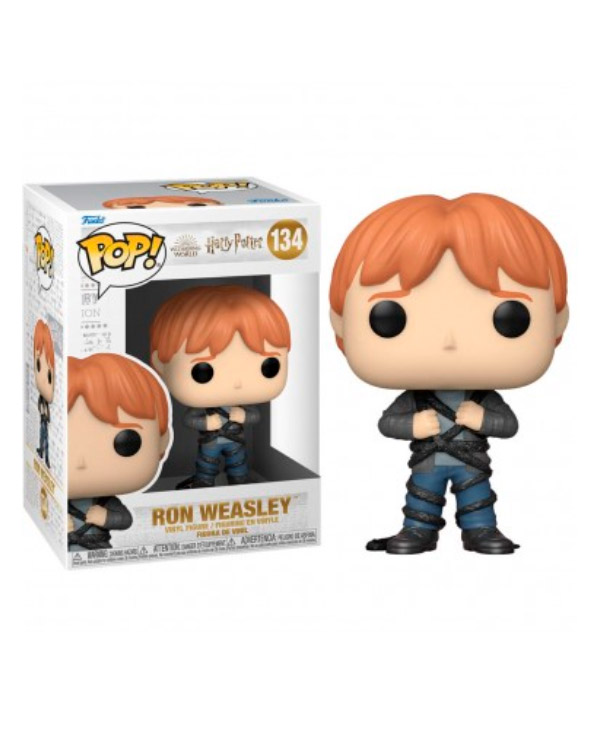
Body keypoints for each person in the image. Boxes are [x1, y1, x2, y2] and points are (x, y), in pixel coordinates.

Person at [329, 194, 568, 554]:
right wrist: (412, 425)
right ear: (341, 323)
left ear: (557, 321)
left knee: (478, 498)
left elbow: (509, 425)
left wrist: (484, 419)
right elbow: (387, 423)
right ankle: (418, 531)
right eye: (390, 318)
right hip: (427, 463)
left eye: (509, 318)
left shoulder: (483, 397)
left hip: (473, 464)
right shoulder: (416, 399)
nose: (449, 341)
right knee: (421, 498)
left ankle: (480, 530)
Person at [150, 285, 290, 489]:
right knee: (206, 465)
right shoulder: (204, 407)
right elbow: (188, 419)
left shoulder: (239, 405)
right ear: (161, 363)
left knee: (238, 464)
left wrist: (243, 416)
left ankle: (239, 481)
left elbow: (255, 416)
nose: (237, 383)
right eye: (202, 370)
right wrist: (205, 422)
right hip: (210, 442)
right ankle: (204, 482)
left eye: (268, 366)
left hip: (236, 441)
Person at [67, 353, 171, 551]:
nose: (82, 462)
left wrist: (106, 517)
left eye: (126, 442)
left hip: (99, 548)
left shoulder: (107, 501)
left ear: (162, 442)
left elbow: (125, 519)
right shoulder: (61, 499)